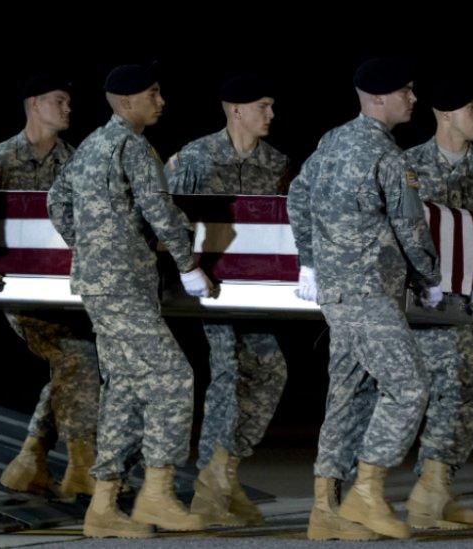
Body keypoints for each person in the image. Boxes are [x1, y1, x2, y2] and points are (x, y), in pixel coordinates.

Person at [48, 63, 214, 538]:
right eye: (153, 94)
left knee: (123, 388)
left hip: (100, 282)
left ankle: (104, 505)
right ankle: (157, 494)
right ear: (126, 102)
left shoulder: (91, 147)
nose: (161, 102)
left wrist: (90, 245)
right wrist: (188, 265)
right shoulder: (134, 147)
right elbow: (160, 211)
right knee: (172, 377)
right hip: (123, 286)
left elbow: (56, 200)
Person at [288, 57, 442, 541]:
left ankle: (325, 509)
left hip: (337, 291)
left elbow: (297, 195)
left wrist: (311, 261)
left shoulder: (331, 142)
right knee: (409, 385)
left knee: (349, 394)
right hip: (371, 290)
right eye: (406, 91)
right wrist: (430, 277)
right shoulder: (387, 155)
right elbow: (411, 227)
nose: (413, 99)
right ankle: (367, 493)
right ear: (379, 98)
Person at [0, 73, 99, 500]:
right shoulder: (0, 160)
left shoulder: (74, 161)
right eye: (59, 100)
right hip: (18, 289)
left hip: (67, 292)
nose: (68, 108)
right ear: (34, 104)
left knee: (71, 365)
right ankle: (81, 466)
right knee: (78, 359)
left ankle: (30, 460)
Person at [166, 73, 290, 526]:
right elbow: (165, 218)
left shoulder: (277, 163)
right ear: (236, 110)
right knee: (231, 370)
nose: (271, 114)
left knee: (271, 369)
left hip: (259, 290)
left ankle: (225, 472)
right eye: (264, 106)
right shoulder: (195, 157)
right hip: (210, 287)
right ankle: (211, 486)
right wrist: (184, 274)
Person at [401, 75, 473, 530]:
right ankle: (419, 493)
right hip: (415, 303)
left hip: (466, 304)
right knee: (426, 393)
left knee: (468, 395)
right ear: (446, 113)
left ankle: (437, 485)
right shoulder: (406, 165)